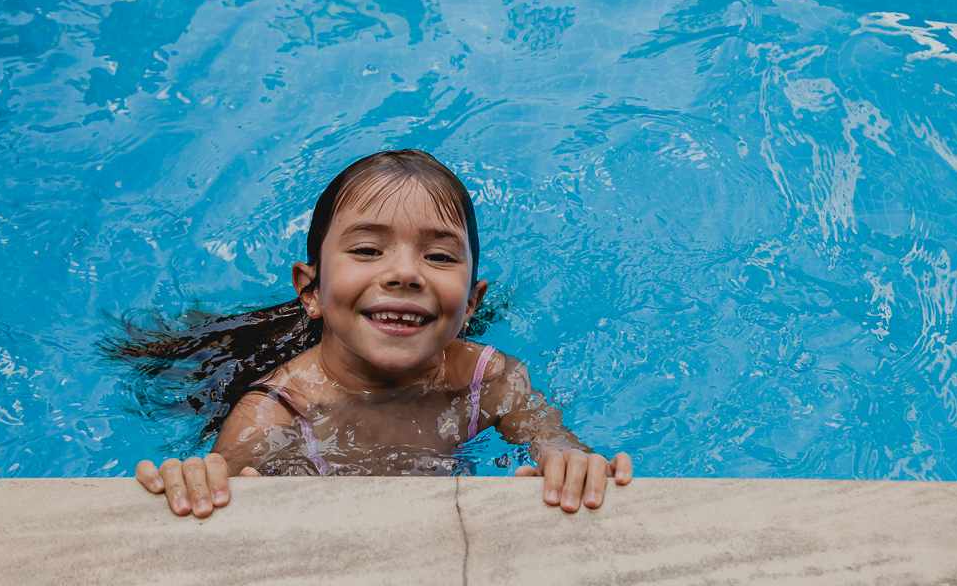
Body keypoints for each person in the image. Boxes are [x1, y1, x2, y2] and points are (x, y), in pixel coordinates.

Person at [129, 149, 632, 517]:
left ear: (471, 304)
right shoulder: (276, 411)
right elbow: (217, 488)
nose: (405, 274)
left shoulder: (488, 378)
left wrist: (572, 465)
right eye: (368, 250)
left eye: (438, 256)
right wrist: (198, 478)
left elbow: (557, 445)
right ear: (312, 292)